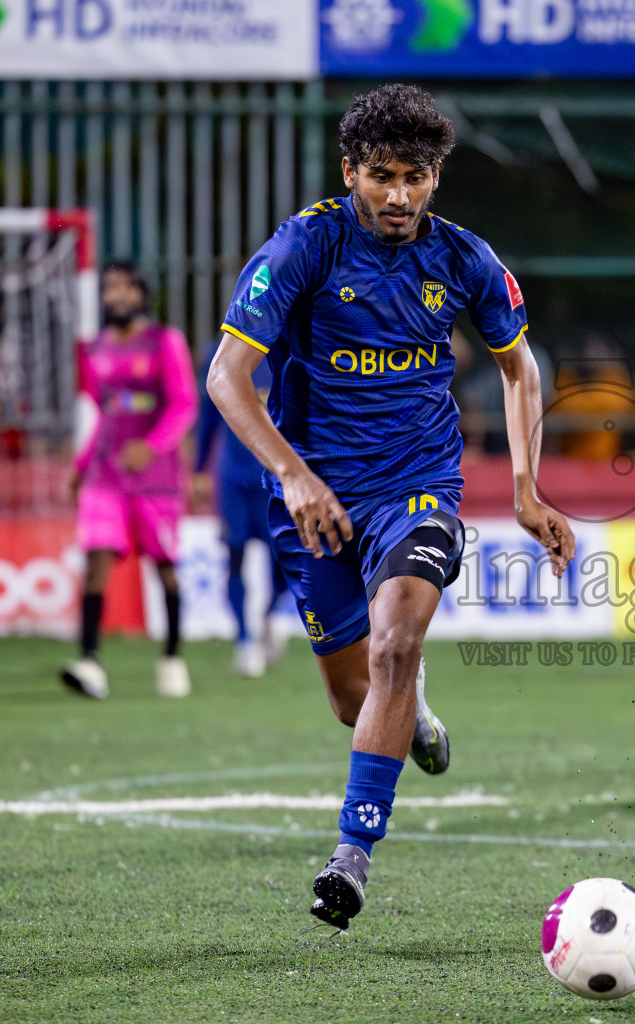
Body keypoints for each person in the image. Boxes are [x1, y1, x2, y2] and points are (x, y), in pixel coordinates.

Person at [206, 84, 575, 931]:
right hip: (316, 501)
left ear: (436, 178)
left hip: (418, 486)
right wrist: (294, 475)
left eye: (415, 176)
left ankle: (351, 857)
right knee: (353, 696)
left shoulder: (464, 259)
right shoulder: (305, 247)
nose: (399, 194)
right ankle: (412, 714)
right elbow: (227, 377)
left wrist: (525, 487)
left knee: (398, 642)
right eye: (381, 175)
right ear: (351, 172)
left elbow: (522, 369)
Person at [61, 261, 198, 700]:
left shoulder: (165, 342)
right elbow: (106, 416)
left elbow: (183, 405)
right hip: (107, 477)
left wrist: (152, 446)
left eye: (124, 287)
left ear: (142, 293)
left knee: (164, 568)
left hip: (156, 480)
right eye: (109, 288)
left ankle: (172, 655)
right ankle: (89, 660)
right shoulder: (96, 350)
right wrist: (81, 467)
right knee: (96, 559)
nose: (115, 295)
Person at [193, 353, 289, 677]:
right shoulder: (218, 354)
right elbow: (209, 415)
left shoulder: (290, 348)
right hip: (232, 479)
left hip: (275, 478)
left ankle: (267, 618)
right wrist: (198, 469)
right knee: (233, 555)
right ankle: (245, 640)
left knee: (285, 562)